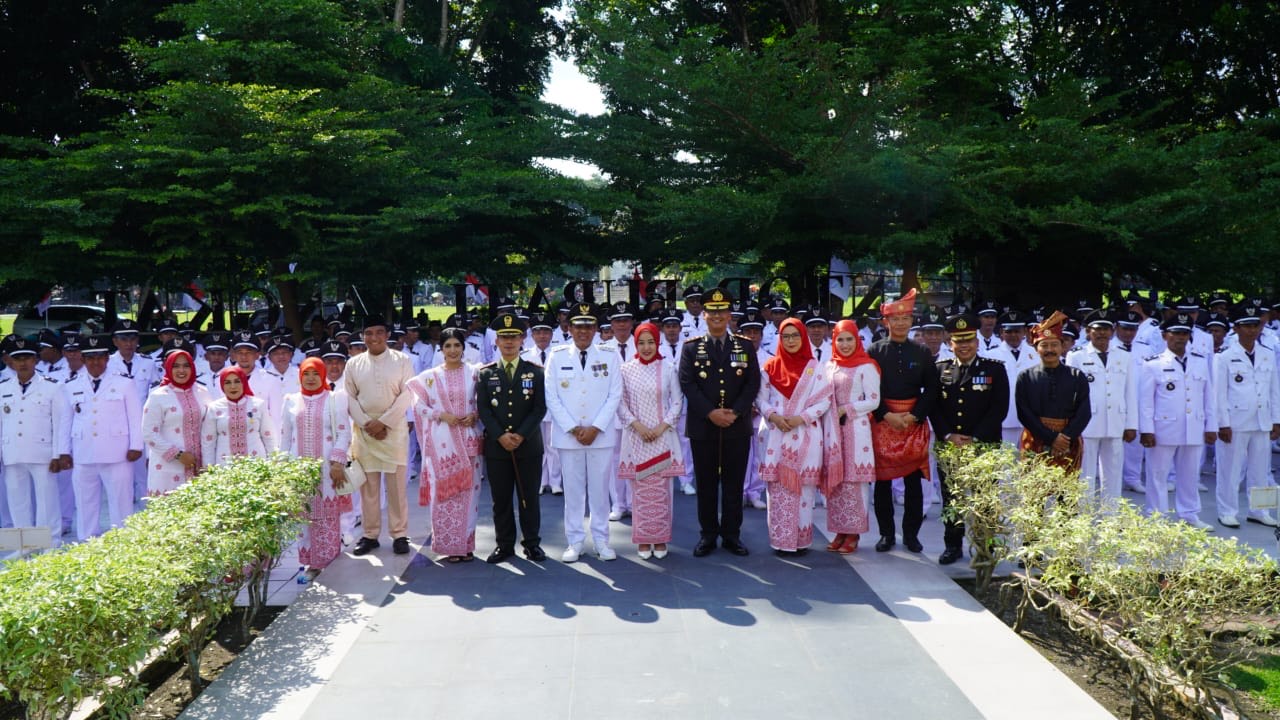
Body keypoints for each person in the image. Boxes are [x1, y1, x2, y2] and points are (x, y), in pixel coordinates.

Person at [678, 287, 761, 557]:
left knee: (734, 484)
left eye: (722, 311)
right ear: (704, 315)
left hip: (737, 425)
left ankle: (732, 535)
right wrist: (711, 412)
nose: (717, 316)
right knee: (706, 485)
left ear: (729, 315)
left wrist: (736, 412)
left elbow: (752, 383)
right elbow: (687, 384)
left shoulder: (744, 345)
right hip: (704, 426)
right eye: (712, 311)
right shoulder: (691, 347)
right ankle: (708, 534)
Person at [544, 303, 623, 562]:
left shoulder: (610, 355)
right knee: (574, 492)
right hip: (569, 436)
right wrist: (575, 428)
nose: (583, 331)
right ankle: (575, 541)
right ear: (569, 328)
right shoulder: (557, 356)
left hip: (600, 435)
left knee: (600, 492)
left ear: (596, 329)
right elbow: (551, 397)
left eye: (589, 326)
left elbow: (615, 394)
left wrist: (596, 427)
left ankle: (601, 540)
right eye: (578, 326)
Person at [929, 314, 1009, 564]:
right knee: (952, 499)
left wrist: (975, 438)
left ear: (977, 342)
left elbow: (999, 409)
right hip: (949, 446)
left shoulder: (994, 369)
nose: (964, 346)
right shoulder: (940, 369)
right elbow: (933, 407)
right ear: (950, 343)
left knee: (985, 497)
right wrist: (948, 435)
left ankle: (985, 547)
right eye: (958, 341)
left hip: (983, 446)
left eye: (969, 341)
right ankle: (952, 546)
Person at [867, 289, 938, 553]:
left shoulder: (921, 351)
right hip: (883, 420)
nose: (899, 323)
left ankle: (911, 535)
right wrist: (885, 414)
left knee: (913, 482)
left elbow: (932, 389)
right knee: (882, 481)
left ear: (911, 321)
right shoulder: (874, 351)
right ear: (886, 321)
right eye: (894, 319)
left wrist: (914, 415)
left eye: (904, 318)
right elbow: (867, 389)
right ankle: (886, 534)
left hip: (912, 422)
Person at [406, 328, 483, 563]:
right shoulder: (429, 377)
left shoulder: (475, 373)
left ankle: (466, 545)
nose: (452, 350)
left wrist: (475, 415)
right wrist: (441, 415)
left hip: (469, 440)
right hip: (441, 445)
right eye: (448, 346)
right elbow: (417, 406)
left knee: (470, 495)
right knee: (444, 496)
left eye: (457, 345)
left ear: (464, 348)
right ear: (441, 349)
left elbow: (485, 402)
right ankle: (449, 545)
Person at [475, 313, 547, 563]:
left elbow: (539, 408)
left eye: (513, 337)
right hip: (498, 447)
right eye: (504, 337)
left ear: (522, 340)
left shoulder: (535, 373)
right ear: (496, 341)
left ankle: (532, 543)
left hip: (528, 445)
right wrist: (500, 435)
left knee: (529, 498)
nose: (508, 342)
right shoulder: (486, 374)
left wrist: (520, 435)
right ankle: (504, 545)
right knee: (501, 499)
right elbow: (484, 409)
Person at [757, 317, 832, 555]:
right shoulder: (769, 367)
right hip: (776, 434)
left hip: (805, 433)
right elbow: (760, 398)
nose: (790, 341)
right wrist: (774, 416)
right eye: (786, 336)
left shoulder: (815, 368)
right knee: (778, 490)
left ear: (803, 337)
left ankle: (801, 540)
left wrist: (802, 418)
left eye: (795, 335)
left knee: (804, 491)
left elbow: (824, 400)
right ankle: (781, 540)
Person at [343, 315, 416, 556]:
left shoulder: (402, 360)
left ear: (387, 335)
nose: (374, 338)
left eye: (379, 332)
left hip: (393, 430)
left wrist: (384, 422)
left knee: (396, 488)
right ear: (363, 336)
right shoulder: (353, 364)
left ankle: (399, 534)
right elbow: (349, 397)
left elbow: (407, 393)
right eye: (369, 333)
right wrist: (367, 423)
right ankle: (370, 535)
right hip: (365, 432)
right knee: (369, 489)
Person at [1138, 312, 1216, 530]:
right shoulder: (1153, 364)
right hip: (1163, 427)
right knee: (1157, 474)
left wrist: (1211, 426)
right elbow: (1145, 401)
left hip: (1194, 426)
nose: (1181, 337)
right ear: (1165, 336)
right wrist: (1146, 429)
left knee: (1190, 474)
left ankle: (1190, 514)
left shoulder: (1200, 361)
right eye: (1176, 333)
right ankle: (1157, 517)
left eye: (1185, 333)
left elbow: (1208, 396)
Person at [617, 321, 685, 560]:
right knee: (639, 492)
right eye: (641, 343)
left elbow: (677, 401)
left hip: (663, 436)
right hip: (636, 437)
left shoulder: (668, 368)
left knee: (663, 492)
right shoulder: (626, 369)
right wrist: (638, 427)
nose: (646, 348)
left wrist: (661, 427)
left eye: (651, 342)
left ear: (658, 343)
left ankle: (661, 537)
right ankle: (644, 539)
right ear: (635, 344)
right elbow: (620, 403)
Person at [64, 334, 143, 540]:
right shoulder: (71, 385)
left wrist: (136, 445)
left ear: (107, 358)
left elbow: (135, 417)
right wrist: (63, 451)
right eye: (90, 358)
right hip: (84, 452)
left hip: (117, 452)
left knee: (121, 503)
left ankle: (122, 543)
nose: (95, 362)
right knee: (85, 503)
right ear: (82, 359)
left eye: (100, 357)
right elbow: (66, 420)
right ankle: (87, 542)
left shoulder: (124, 383)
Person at [280, 358, 353, 571]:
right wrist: (282, 469)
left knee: (327, 515)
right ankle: (309, 563)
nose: (311, 378)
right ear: (300, 376)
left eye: (315, 374)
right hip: (298, 470)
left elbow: (344, 432)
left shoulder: (334, 399)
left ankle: (329, 561)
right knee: (304, 516)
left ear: (322, 375)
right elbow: (286, 437)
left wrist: (337, 463)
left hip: (328, 469)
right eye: (306, 374)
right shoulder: (291, 400)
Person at [1212, 302, 1280, 528]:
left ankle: (1260, 510)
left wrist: (1276, 420)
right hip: (1235, 421)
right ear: (1236, 328)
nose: (1252, 330)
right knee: (1230, 470)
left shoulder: (1267, 354)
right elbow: (1218, 394)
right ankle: (1227, 511)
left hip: (1262, 419)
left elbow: (1274, 389)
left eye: (1255, 325)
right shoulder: (1224, 356)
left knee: (1261, 470)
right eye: (1247, 326)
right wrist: (1222, 423)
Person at [0, 335, 71, 547]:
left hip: (43, 453)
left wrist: (59, 453)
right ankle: (24, 547)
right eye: (18, 358)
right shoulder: (3, 388)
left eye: (27, 358)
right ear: (10, 361)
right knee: (17, 501)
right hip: (12, 452)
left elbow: (61, 422)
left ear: (36, 360)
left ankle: (50, 544)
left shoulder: (52, 387)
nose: (22, 363)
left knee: (47, 501)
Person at [1065, 310, 1138, 505]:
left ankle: (1110, 516)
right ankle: (1083, 514)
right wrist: (1071, 426)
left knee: (1113, 472)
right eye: (1097, 329)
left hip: (1116, 421)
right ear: (1088, 331)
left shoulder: (1124, 356)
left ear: (1112, 331)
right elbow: (1071, 394)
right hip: (1087, 423)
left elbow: (1130, 392)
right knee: (1085, 473)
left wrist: (1131, 424)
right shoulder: (1077, 356)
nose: (1102, 333)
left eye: (1106, 329)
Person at [822, 319, 881, 555]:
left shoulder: (866, 366)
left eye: (849, 339)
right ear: (833, 341)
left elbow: (874, 400)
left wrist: (846, 409)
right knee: (836, 479)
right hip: (833, 429)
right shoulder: (829, 366)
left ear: (857, 340)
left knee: (854, 481)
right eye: (840, 340)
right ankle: (840, 530)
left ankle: (853, 533)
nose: (845, 345)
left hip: (856, 429)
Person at [1015, 310, 1091, 473]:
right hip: (1035, 440)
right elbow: (1024, 413)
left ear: (1062, 347)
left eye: (1054, 344)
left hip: (1068, 442)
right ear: (1036, 348)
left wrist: (1064, 438)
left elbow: (1084, 412)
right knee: (1034, 488)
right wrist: (1051, 438)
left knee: (1066, 488)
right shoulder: (1025, 377)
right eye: (1044, 345)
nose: (1049, 349)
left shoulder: (1076, 376)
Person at [141, 346, 211, 496]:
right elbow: (149, 434)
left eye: (186, 366)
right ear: (168, 368)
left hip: (198, 466)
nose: (181, 370)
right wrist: (178, 455)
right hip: (168, 468)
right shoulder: (158, 396)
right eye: (176, 366)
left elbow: (210, 426)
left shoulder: (202, 392)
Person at [201, 366, 278, 467]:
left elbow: (269, 436)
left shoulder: (258, 405)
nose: (233, 386)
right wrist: (209, 467)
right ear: (222, 385)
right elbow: (208, 441)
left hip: (257, 464)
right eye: (227, 383)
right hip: (225, 466)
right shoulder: (214, 408)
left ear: (244, 383)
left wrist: (273, 463)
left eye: (237, 381)